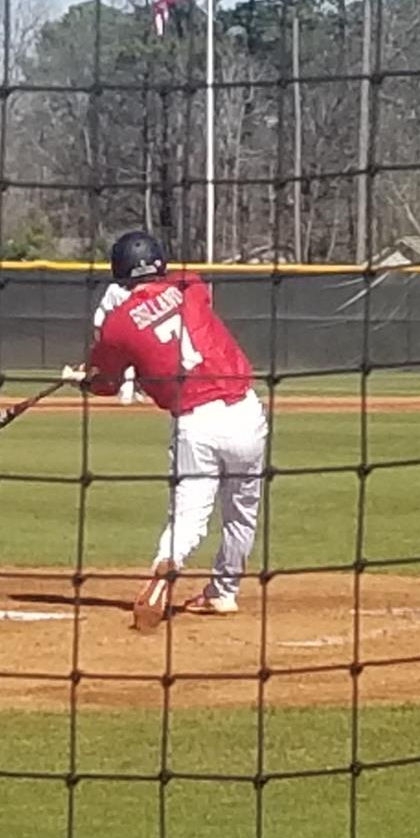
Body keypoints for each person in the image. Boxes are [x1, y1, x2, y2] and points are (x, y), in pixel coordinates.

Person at [66, 231, 266, 630]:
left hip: (195, 422)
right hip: (245, 411)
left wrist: (84, 380)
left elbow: (106, 383)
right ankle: (224, 592)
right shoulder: (190, 283)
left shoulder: (117, 325)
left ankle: (168, 562)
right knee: (241, 512)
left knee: (189, 515)